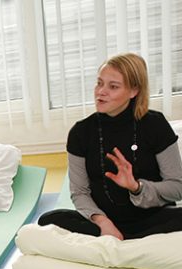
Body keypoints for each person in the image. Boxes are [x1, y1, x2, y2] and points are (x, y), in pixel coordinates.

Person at [38, 52, 182, 239]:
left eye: (113, 86)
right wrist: (102, 222)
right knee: (48, 219)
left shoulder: (155, 124)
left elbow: (177, 187)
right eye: (99, 83)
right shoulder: (80, 132)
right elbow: (79, 192)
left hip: (152, 217)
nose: (101, 92)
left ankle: (121, 241)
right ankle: (117, 237)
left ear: (134, 91)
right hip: (106, 222)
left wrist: (136, 187)